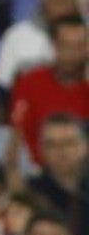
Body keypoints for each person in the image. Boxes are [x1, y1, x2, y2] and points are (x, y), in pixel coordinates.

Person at [10, 16, 89, 165]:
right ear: (53, 46)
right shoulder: (29, 83)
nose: (71, 53)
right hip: (38, 172)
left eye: (79, 46)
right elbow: (19, 136)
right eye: (65, 45)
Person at [26, 113, 89, 235]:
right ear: (41, 149)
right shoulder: (30, 193)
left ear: (85, 146)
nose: (61, 151)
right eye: (52, 144)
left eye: (69, 143)